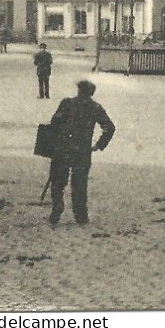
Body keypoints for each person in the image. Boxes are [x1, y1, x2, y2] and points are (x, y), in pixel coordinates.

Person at [48, 79, 115, 227]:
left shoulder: (66, 103)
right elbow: (109, 127)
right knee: (79, 183)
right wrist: (98, 145)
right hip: (82, 150)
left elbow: (54, 123)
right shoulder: (95, 108)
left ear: (78, 90)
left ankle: (57, 206)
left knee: (58, 181)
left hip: (63, 148)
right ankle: (80, 216)